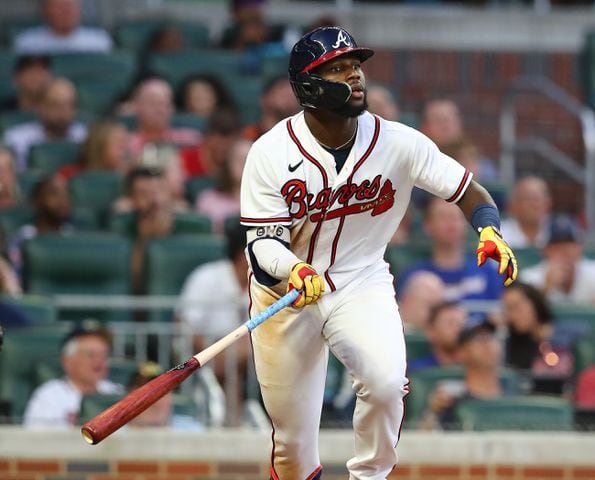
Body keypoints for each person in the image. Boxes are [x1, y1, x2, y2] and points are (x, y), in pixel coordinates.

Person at [239, 26, 517, 479]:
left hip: (359, 279)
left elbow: (469, 191)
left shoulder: (398, 141)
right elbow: (262, 245)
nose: (355, 77)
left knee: (386, 383)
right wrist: (294, 268)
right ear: (308, 86)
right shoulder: (270, 152)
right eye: (339, 69)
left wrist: (489, 230)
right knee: (292, 447)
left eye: (356, 66)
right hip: (285, 295)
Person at [177, 222, 249, 425]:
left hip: (243, 358)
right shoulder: (208, 276)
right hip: (200, 352)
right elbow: (185, 323)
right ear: (243, 253)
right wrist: (211, 354)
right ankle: (232, 428)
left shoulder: (266, 283)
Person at [399, 196, 505, 306]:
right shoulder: (415, 276)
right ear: (427, 225)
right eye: (443, 217)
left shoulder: (487, 270)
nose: (451, 222)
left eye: (456, 216)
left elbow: (499, 313)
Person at [23, 321, 123, 426]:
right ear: (67, 361)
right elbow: (36, 439)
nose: (99, 362)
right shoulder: (48, 397)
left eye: (104, 355)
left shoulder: (116, 393)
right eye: (90, 355)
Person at [420, 317, 508, 431]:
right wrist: (432, 411)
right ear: (461, 353)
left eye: (491, 337)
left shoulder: (516, 392)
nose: (488, 343)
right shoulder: (449, 401)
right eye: (479, 338)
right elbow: (426, 441)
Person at [501, 281, 573, 393]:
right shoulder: (509, 344)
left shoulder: (568, 335)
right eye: (508, 309)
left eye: (516, 306)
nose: (512, 315)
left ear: (534, 302)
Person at [2, 77, 87, 171]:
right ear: (41, 106)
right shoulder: (17, 140)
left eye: (69, 105)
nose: (63, 111)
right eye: (56, 105)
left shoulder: (84, 137)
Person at [9, 174, 74, 278]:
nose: (63, 200)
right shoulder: (24, 238)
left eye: (66, 194)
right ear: (36, 201)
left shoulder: (72, 237)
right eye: (54, 193)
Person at [520, 215, 595, 305]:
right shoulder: (529, 278)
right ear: (545, 251)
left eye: (570, 245)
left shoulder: (592, 273)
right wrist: (546, 288)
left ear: (580, 248)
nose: (565, 251)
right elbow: (521, 311)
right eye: (557, 246)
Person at [127, 78, 201, 160]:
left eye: (166, 104)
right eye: (153, 103)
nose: (161, 110)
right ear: (137, 106)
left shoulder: (190, 140)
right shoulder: (125, 144)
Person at [13, 0, 113, 54]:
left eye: (70, 6)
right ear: (45, 11)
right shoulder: (27, 42)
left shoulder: (99, 40)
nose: (67, 12)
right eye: (60, 7)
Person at [195, 139, 251, 234]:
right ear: (228, 163)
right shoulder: (207, 200)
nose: (243, 164)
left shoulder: (271, 202)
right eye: (239, 159)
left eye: (248, 159)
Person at [126, 361, 203, 430]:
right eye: (144, 391)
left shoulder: (191, 430)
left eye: (160, 391)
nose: (153, 398)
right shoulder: (116, 435)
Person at [57, 120, 130, 180]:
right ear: (100, 147)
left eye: (125, 144)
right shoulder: (70, 176)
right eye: (119, 145)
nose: (125, 151)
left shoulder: (129, 178)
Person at [179, 109, 242, 178]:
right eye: (219, 142)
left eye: (229, 143)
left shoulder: (237, 166)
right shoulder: (184, 160)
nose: (224, 147)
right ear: (208, 137)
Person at [408, 301, 467, 373]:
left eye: (462, 324)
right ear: (431, 331)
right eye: (450, 323)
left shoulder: (478, 368)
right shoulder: (418, 370)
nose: (458, 329)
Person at [242, 75, 300, 142]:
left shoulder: (304, 138)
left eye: (293, 92)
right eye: (281, 89)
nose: (289, 95)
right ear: (264, 99)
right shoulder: (249, 136)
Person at [500, 176, 553, 249]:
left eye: (538, 199)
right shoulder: (498, 235)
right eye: (528, 199)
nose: (534, 205)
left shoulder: (559, 231)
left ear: (548, 203)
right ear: (512, 205)